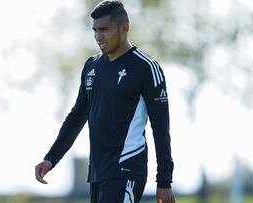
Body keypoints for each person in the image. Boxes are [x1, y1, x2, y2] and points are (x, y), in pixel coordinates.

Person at [35, 1, 175, 203]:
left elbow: (161, 128)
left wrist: (164, 181)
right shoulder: (91, 66)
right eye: (95, 31)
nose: (98, 37)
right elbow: (76, 117)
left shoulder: (146, 68)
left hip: (126, 168)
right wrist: (51, 158)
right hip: (97, 173)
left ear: (124, 28)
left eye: (104, 30)